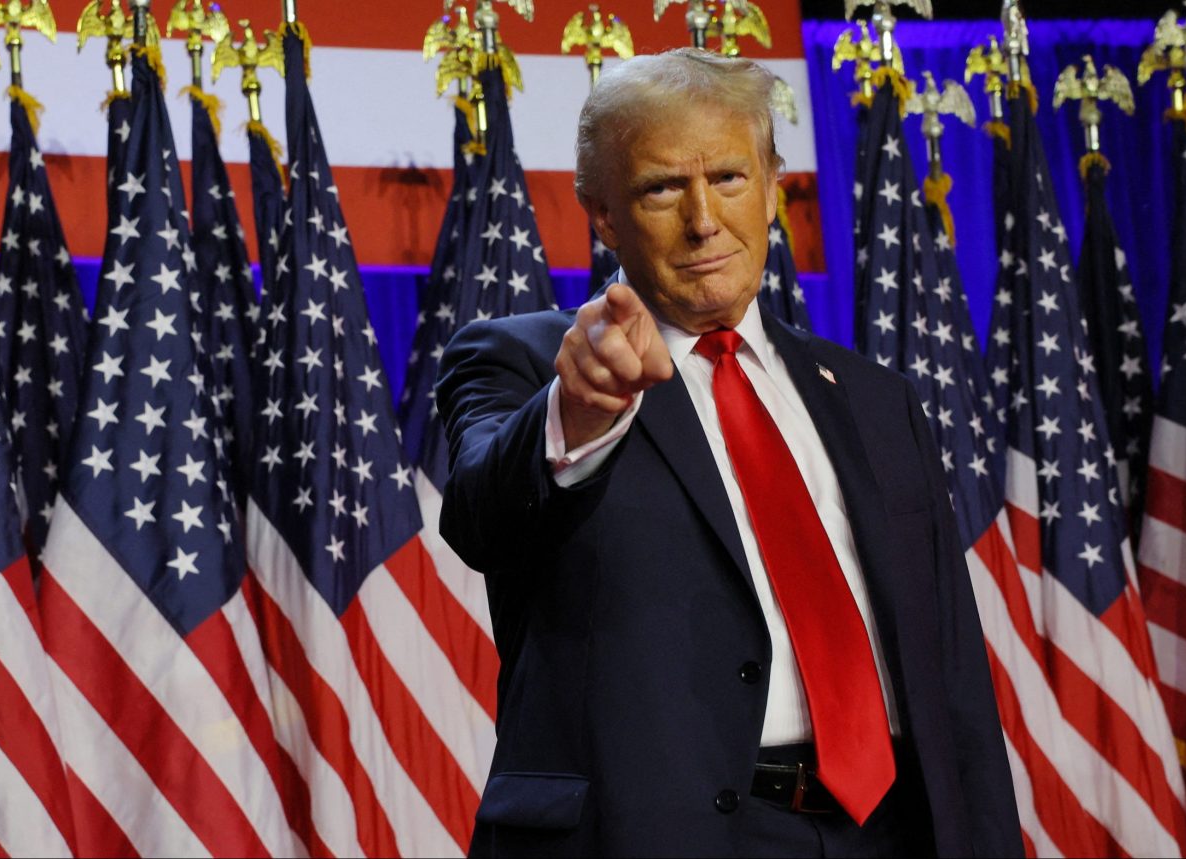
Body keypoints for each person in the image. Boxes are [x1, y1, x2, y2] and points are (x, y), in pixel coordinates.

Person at [435, 48, 1022, 858]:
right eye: (662, 187)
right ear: (602, 213)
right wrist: (581, 409)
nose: (704, 218)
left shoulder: (876, 398)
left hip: (888, 832)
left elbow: (952, 671)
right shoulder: (530, 364)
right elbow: (479, 516)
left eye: (730, 178)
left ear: (774, 185)